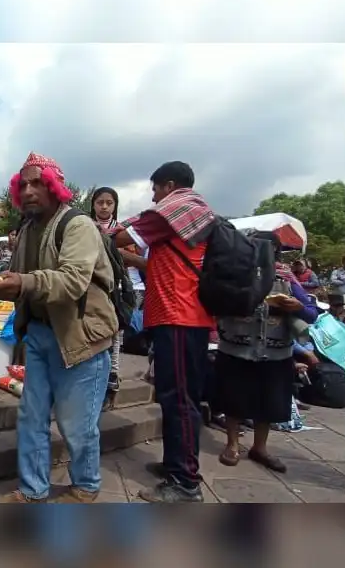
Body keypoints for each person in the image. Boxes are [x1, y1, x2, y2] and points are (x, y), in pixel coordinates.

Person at [0, 152, 117, 503]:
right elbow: (20, 280)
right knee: (31, 417)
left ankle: (85, 487)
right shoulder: (27, 229)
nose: (28, 191)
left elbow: (72, 282)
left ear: (55, 186)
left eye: (37, 183)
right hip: (39, 335)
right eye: (22, 184)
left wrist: (20, 283)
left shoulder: (78, 225)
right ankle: (33, 490)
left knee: (77, 425)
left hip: (81, 337)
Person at [111, 161, 215, 503]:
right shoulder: (194, 213)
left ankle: (185, 483)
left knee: (180, 400)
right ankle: (176, 465)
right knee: (175, 397)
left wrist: (113, 232)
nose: (154, 197)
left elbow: (120, 237)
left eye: (155, 189)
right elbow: (158, 263)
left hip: (180, 317)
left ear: (169, 185)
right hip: (186, 318)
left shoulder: (171, 212)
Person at [212, 231, 319, 472]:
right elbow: (214, 303)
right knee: (233, 397)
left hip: (275, 351)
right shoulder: (234, 274)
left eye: (268, 248)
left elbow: (312, 314)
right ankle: (232, 444)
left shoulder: (286, 277)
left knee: (268, 401)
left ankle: (260, 447)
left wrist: (298, 306)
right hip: (236, 347)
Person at [91, 186, 128, 395]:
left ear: (115, 206)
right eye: (100, 202)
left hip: (117, 289)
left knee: (115, 331)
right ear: (93, 205)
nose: (104, 206)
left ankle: (113, 372)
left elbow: (129, 260)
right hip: (94, 287)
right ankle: (96, 373)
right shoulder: (84, 226)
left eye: (109, 203)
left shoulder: (122, 232)